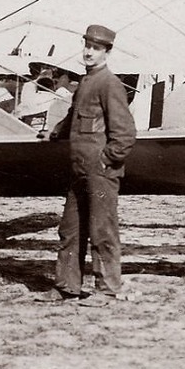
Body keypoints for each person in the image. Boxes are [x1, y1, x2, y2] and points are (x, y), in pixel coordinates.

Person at [38, 24, 137, 308]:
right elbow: (74, 117)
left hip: (100, 172)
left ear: (107, 51)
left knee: (102, 230)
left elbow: (126, 133)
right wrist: (54, 132)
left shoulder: (109, 83)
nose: (89, 52)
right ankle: (67, 286)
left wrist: (106, 160)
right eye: (87, 46)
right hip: (79, 170)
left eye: (96, 48)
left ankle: (107, 290)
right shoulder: (85, 82)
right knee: (70, 229)